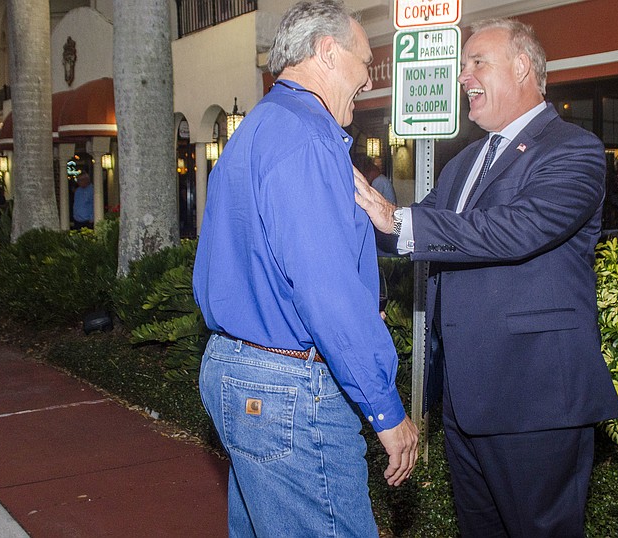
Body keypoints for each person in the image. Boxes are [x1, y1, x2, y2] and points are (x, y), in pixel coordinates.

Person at [354, 18, 618, 538]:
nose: (462, 77)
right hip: (465, 398)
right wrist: (350, 215)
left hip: (536, 399)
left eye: (477, 62)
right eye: (461, 66)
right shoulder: (467, 161)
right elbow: (412, 232)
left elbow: (516, 229)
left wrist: (399, 219)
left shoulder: (574, 150)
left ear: (523, 67)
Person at [192, 1, 419, 536]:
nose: (367, 79)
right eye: (364, 62)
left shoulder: (256, 130)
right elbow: (327, 294)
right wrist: (385, 410)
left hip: (237, 369)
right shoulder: (308, 138)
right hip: (286, 387)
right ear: (326, 51)